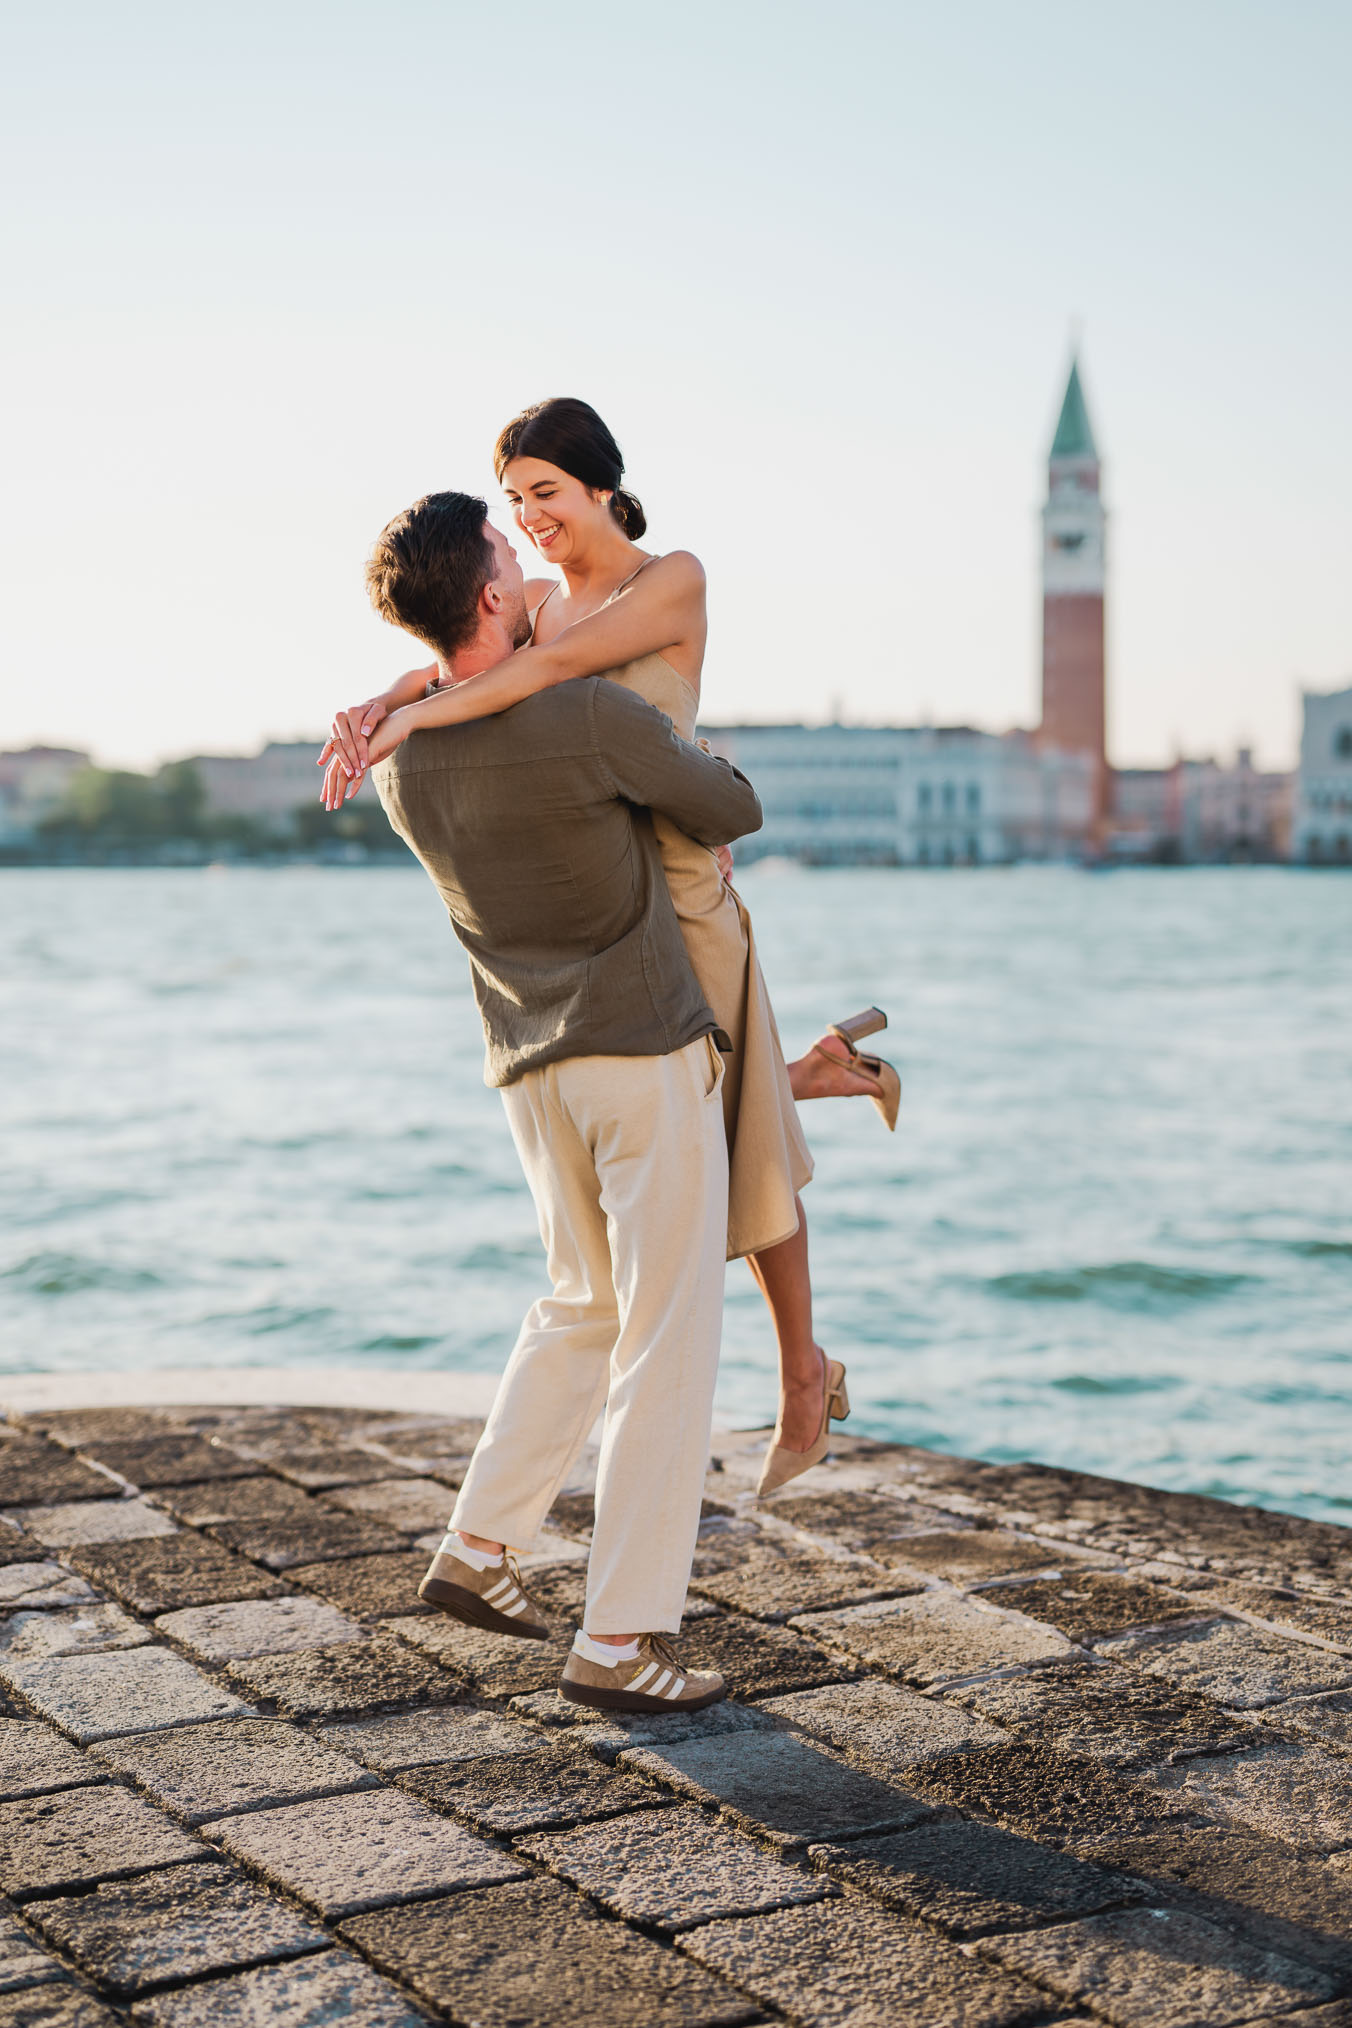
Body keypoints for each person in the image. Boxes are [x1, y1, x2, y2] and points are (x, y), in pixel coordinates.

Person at [323, 400, 899, 1496]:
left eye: (546, 491)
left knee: (736, 1145)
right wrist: (386, 694)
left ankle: (798, 1377)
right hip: (608, 886)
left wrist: (405, 720)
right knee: (706, 1130)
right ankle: (809, 1077)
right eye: (513, 501)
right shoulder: (531, 600)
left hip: (682, 883)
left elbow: (533, 682)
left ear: (598, 486)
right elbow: (466, 665)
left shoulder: (668, 579)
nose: (530, 518)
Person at [362, 487, 763, 1712]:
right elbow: (728, 806)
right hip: (639, 1054)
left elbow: (470, 690)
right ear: (490, 596)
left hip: (527, 1069)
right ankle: (620, 1639)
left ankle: (478, 1546)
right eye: (508, 556)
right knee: (662, 1337)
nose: (529, 571)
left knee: (578, 1302)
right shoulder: (590, 716)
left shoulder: (404, 764)